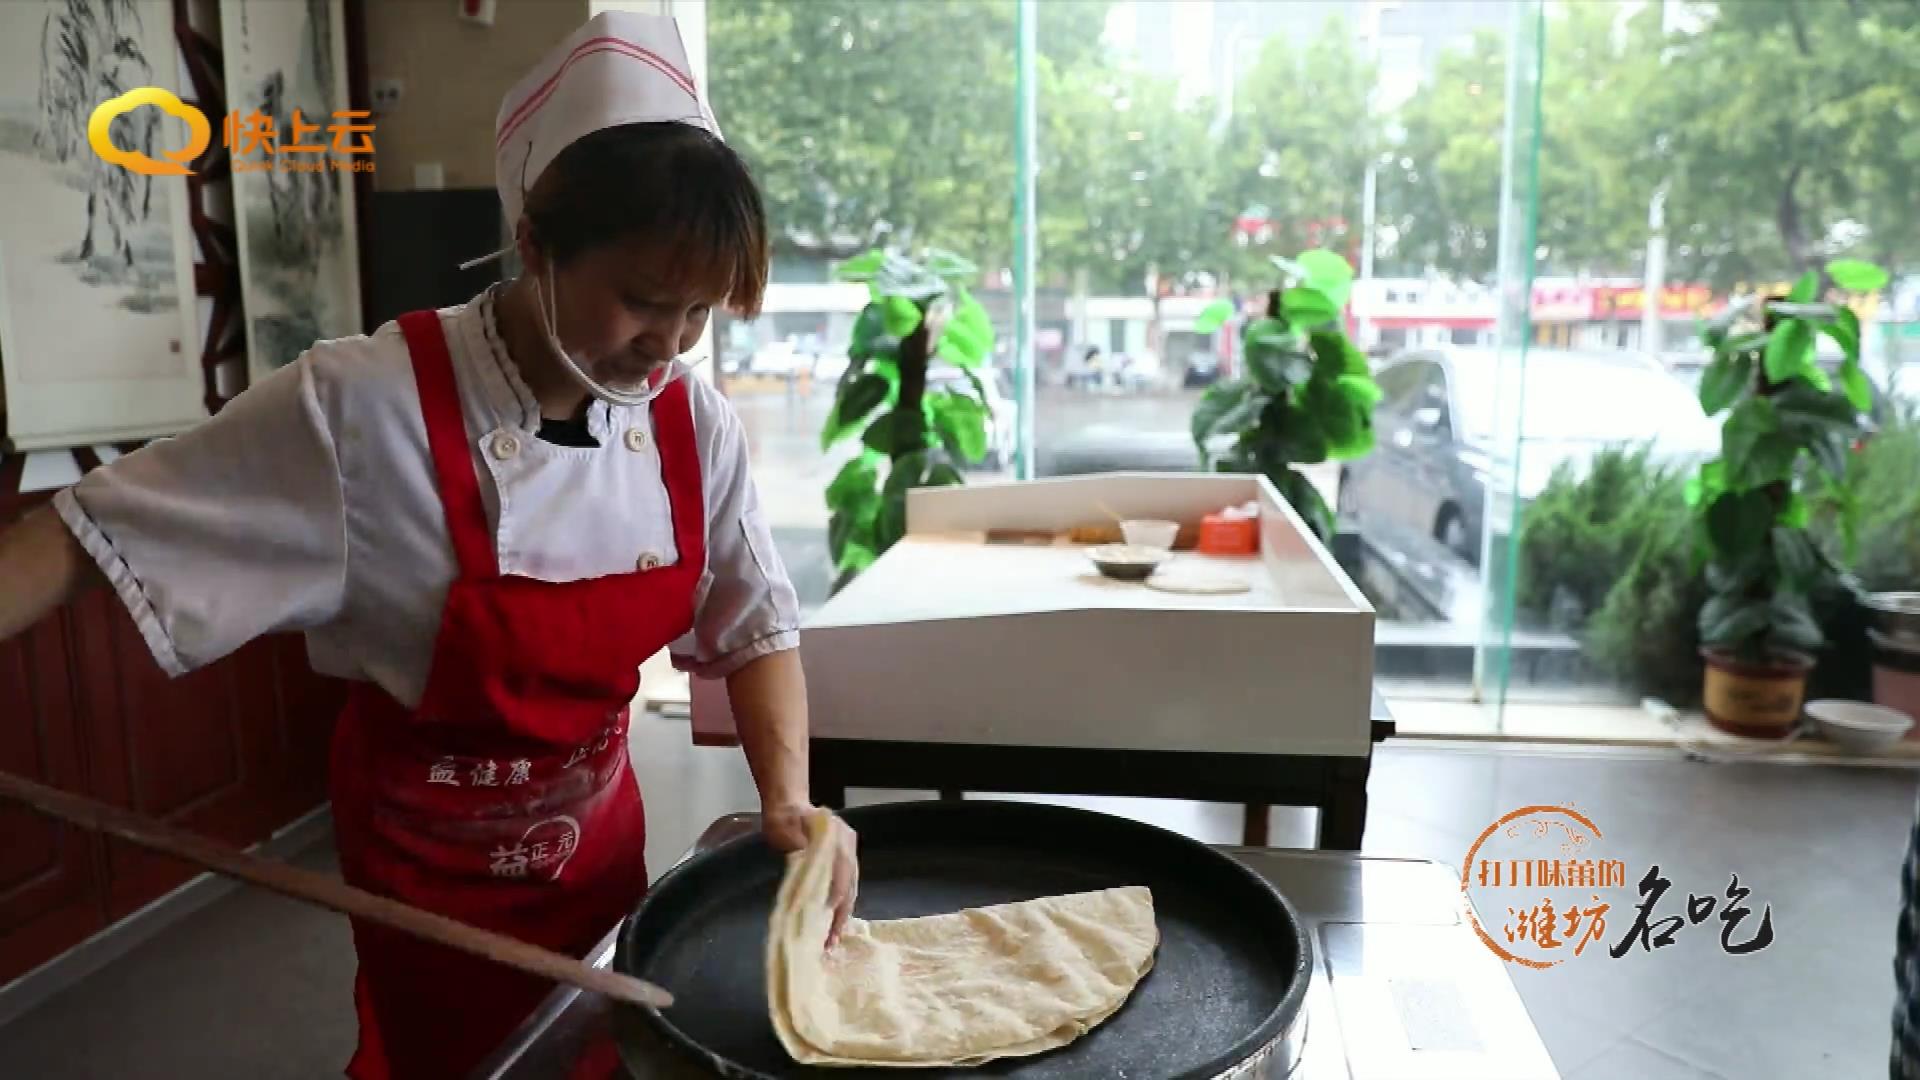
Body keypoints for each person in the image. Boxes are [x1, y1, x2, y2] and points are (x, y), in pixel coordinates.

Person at [0, 13, 858, 1079]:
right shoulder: (364, 407)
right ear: (536, 241)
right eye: (642, 302)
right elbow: (87, 532)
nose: (670, 347)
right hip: (428, 877)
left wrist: (789, 801)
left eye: (697, 315)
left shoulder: (691, 422)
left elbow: (757, 623)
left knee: (600, 1054)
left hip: (597, 841)